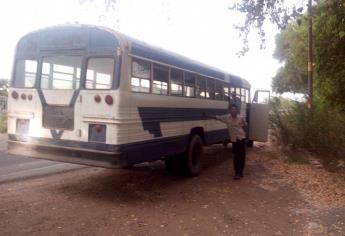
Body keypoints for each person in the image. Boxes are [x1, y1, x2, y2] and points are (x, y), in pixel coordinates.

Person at [204, 104, 247, 180]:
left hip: (241, 139)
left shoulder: (241, 118)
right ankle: (237, 173)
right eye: (232, 109)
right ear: (230, 110)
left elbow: (245, 126)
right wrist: (207, 115)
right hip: (234, 140)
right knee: (236, 156)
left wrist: (244, 134)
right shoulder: (226, 117)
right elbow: (217, 117)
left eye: (235, 109)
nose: (233, 111)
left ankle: (241, 172)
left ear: (237, 110)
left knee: (242, 156)